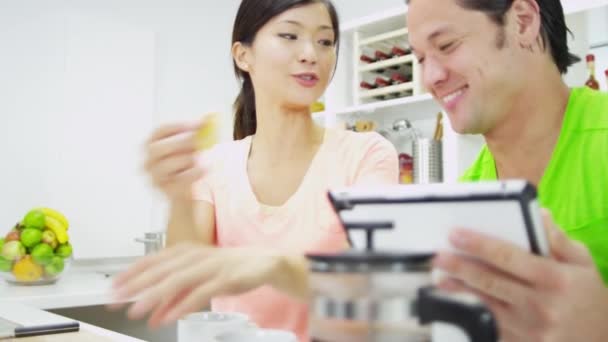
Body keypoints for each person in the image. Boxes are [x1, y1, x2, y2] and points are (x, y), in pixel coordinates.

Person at [110, 0, 398, 341]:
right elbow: (189, 280)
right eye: (290, 35)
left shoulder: (367, 153)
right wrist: (179, 195)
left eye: (325, 41)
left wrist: (275, 266)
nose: (310, 53)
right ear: (243, 55)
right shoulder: (215, 165)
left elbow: (371, 282)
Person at [406, 0, 608, 340]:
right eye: (421, 58)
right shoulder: (464, 199)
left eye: (446, 46)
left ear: (523, 22)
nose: (431, 78)